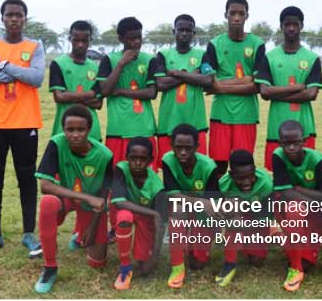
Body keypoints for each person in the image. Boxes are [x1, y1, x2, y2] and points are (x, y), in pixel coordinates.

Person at [0, 0, 45, 257]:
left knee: (26, 177)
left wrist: (3, 66)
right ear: (2, 18)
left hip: (25, 122)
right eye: (9, 14)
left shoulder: (35, 45)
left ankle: (29, 233)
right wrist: (17, 72)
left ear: (25, 18)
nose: (14, 18)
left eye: (19, 14)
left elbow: (36, 78)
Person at [33, 105, 113, 293]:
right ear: (63, 129)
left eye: (80, 130)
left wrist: (92, 226)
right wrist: (84, 196)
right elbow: (45, 186)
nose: (75, 135)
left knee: (98, 262)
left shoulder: (105, 155)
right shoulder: (56, 143)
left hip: (91, 207)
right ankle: (50, 267)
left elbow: (101, 200)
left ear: (89, 130)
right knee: (48, 203)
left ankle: (80, 235)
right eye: (70, 130)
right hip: (66, 199)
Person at [201, 0, 266, 176]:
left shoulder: (257, 44)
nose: (236, 17)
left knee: (242, 166)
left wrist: (221, 86)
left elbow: (257, 86)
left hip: (246, 116)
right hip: (221, 115)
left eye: (241, 13)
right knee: (219, 166)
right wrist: (246, 79)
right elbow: (209, 84)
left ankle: (241, 203)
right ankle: (219, 203)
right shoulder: (214, 44)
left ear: (247, 16)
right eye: (233, 13)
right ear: (226, 15)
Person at [255, 6, 322, 170]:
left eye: (295, 24)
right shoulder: (270, 57)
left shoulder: (312, 58)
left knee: (306, 173)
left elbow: (311, 94)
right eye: (287, 24)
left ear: (302, 26)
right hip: (276, 128)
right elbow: (264, 92)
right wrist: (298, 88)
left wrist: (275, 93)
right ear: (281, 26)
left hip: (304, 129)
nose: (291, 28)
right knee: (277, 174)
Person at [271, 120, 322, 292]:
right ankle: (295, 268)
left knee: (308, 262)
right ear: (280, 143)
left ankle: (276, 235)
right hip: (291, 211)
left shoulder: (318, 160)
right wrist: (307, 199)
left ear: (304, 141)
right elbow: (285, 193)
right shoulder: (278, 155)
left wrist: (298, 189)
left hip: (315, 213)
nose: (291, 148)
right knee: (294, 208)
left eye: (296, 143)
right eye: (286, 143)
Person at [163, 123, 221, 289]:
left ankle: (194, 241)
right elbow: (173, 195)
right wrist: (200, 202)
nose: (182, 152)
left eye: (188, 148)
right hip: (183, 207)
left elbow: (213, 205)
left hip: (202, 214)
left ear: (197, 146)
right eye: (178, 147)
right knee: (178, 208)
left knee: (197, 264)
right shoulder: (167, 159)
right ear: (171, 144)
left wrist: (215, 229)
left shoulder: (209, 166)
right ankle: (177, 266)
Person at [98, 16, 160, 170]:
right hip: (117, 129)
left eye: (139, 37)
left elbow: (152, 93)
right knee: (117, 179)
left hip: (144, 128)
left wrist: (120, 91)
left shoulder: (149, 60)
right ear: (121, 39)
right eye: (132, 38)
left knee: (145, 178)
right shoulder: (109, 60)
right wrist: (121, 63)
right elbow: (105, 90)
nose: (137, 42)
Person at [109, 137, 164, 290]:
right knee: (124, 215)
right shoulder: (121, 168)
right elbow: (119, 202)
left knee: (144, 267)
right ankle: (125, 267)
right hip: (125, 211)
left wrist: (154, 257)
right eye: (133, 158)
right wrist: (153, 213)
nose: (138, 163)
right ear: (127, 158)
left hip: (144, 218)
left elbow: (160, 222)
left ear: (151, 160)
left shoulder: (157, 186)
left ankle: (141, 250)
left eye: (142, 159)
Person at [154, 14, 211, 159]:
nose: (184, 33)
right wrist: (192, 75)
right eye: (180, 30)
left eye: (188, 30)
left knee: (198, 166)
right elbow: (160, 84)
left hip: (196, 123)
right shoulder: (163, 55)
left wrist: (176, 73)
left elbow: (208, 80)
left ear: (194, 33)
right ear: (174, 32)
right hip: (169, 122)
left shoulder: (202, 55)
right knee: (169, 166)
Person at [215, 149, 273, 287]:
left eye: (250, 176)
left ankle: (272, 232)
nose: (246, 182)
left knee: (256, 261)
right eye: (240, 178)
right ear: (231, 175)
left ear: (255, 170)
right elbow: (216, 212)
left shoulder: (266, 184)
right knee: (232, 208)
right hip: (236, 218)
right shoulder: (222, 185)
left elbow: (267, 216)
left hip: (257, 218)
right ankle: (230, 264)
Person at [48, 20, 102, 141]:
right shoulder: (58, 64)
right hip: (64, 131)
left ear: (90, 40)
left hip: (91, 132)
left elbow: (98, 104)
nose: (80, 44)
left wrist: (69, 95)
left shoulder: (95, 68)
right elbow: (59, 97)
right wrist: (90, 94)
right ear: (70, 39)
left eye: (84, 40)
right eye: (76, 40)